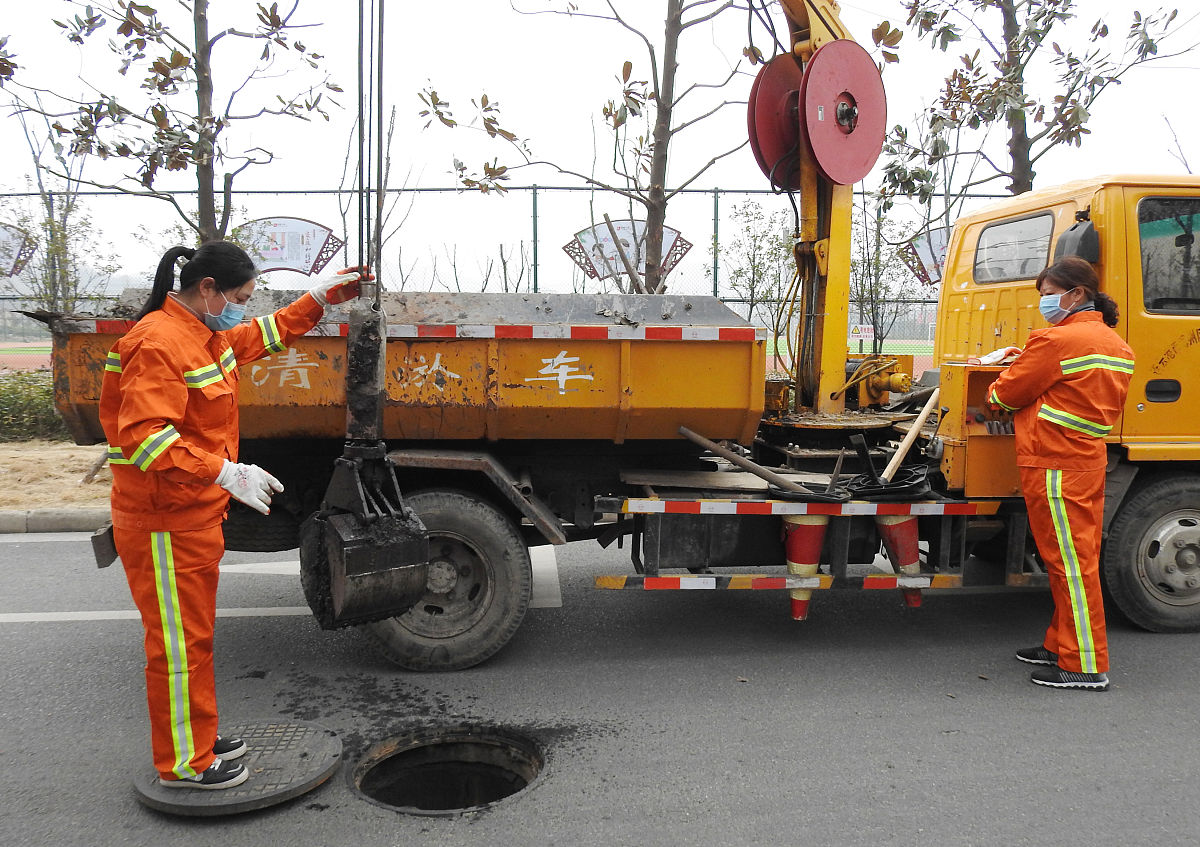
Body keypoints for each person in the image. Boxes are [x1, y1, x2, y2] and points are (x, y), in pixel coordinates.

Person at [100, 241, 368, 788]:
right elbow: (148, 440)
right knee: (177, 646)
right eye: (241, 297)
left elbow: (258, 337)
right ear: (208, 290)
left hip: (191, 516)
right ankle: (183, 764)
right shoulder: (158, 342)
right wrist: (225, 472)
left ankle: (196, 738)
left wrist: (316, 299)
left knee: (194, 639)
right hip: (162, 522)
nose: (243, 307)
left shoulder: (203, 334)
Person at [987, 255, 1134, 692]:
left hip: (1053, 461)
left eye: (1049, 295)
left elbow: (1006, 396)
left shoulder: (1057, 341)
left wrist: (1004, 375)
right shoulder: (1115, 343)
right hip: (1083, 460)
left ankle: (1084, 665)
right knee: (1070, 559)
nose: (1045, 303)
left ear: (1076, 294)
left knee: (1070, 564)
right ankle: (1060, 645)